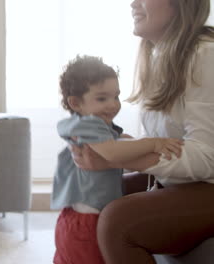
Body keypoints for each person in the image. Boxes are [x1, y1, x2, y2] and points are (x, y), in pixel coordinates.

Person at [70, 0, 214, 263]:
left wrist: (119, 156)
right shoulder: (159, 57)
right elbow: (168, 143)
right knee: (93, 191)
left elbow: (207, 157)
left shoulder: (206, 56)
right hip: (189, 184)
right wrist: (115, 149)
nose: (133, 3)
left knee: (118, 221)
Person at [51, 55, 183, 264]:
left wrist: (131, 142)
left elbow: (119, 143)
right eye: (102, 98)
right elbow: (113, 153)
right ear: (75, 103)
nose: (113, 105)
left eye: (116, 96)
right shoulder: (89, 125)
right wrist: (154, 143)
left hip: (81, 217)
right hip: (88, 221)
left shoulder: (85, 124)